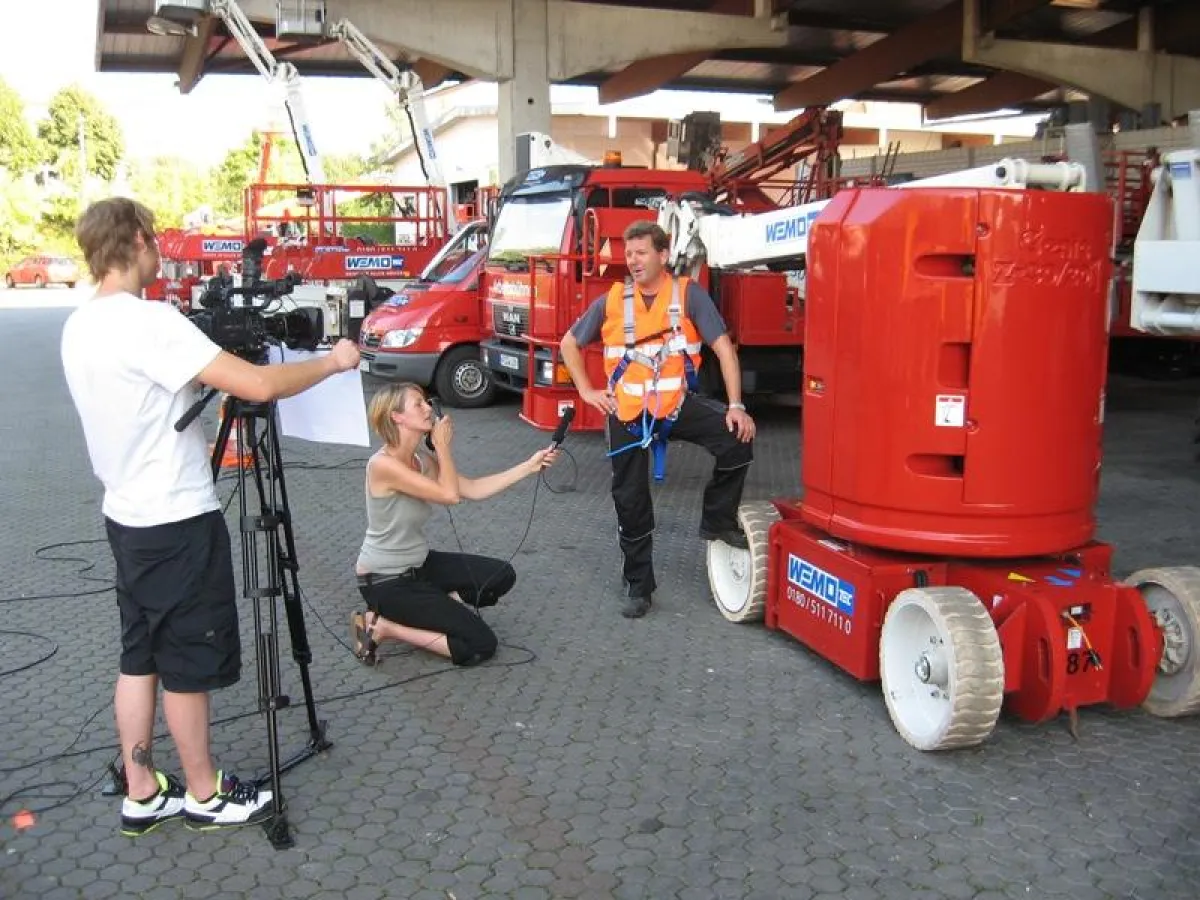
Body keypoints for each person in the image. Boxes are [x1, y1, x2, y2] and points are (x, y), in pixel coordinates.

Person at [61, 197, 361, 836]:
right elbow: (261, 386)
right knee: (187, 662)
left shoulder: (79, 325)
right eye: (155, 240)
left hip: (126, 516)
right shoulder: (151, 324)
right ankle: (204, 790)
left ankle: (142, 788)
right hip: (175, 522)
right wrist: (334, 362)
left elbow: (147, 411)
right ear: (139, 239)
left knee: (138, 654)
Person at [559, 220, 755, 620]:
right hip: (626, 414)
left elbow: (724, 349)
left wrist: (737, 405)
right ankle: (638, 585)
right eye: (628, 254)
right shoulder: (612, 301)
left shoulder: (688, 295)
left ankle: (718, 520)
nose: (633, 261)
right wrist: (586, 391)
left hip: (674, 407)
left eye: (641, 253)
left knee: (737, 439)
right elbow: (569, 343)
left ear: (663, 256)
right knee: (630, 501)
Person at [351, 382, 557, 667]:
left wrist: (529, 467)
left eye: (426, 401)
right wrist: (443, 446)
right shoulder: (382, 466)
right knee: (481, 645)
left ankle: (439, 604)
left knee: (500, 575)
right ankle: (382, 626)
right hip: (386, 581)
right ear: (397, 417)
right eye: (418, 404)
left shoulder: (420, 460)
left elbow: (471, 489)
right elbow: (449, 496)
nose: (428, 408)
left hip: (420, 565)